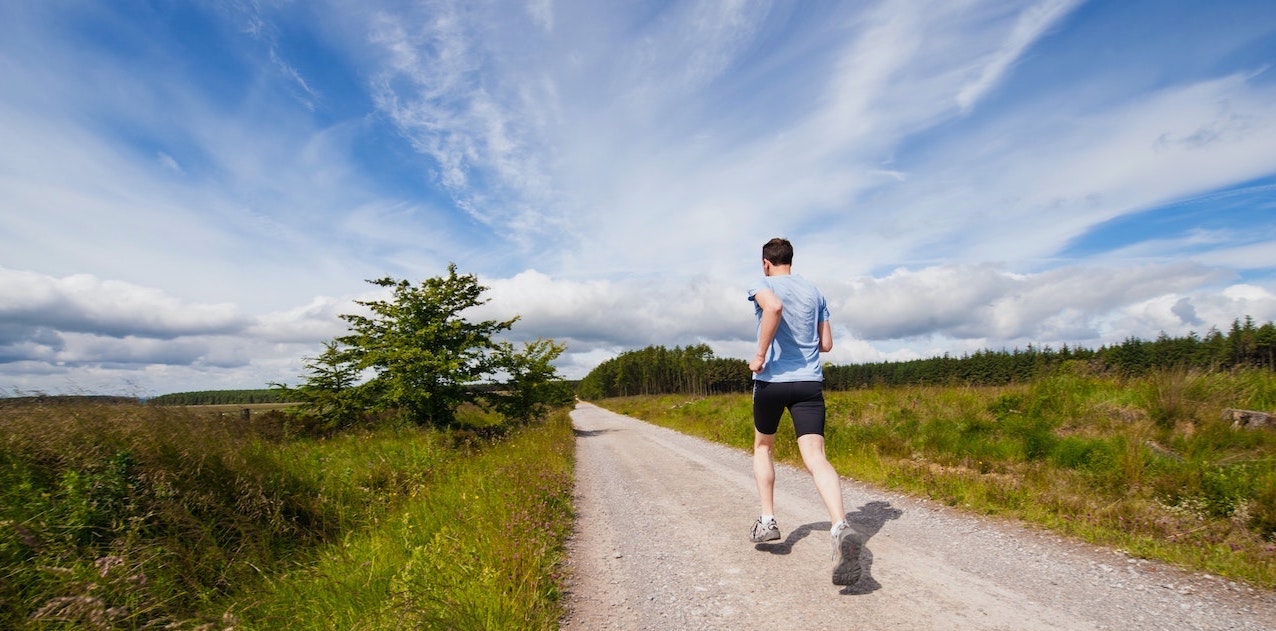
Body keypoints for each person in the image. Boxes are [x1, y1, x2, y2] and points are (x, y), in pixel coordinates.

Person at [746, 237, 860, 586]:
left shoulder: (762, 285)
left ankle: (768, 521)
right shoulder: (814, 291)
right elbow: (826, 344)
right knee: (816, 456)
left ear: (766, 262)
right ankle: (840, 525)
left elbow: (774, 308)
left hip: (772, 382)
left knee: (764, 447)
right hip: (809, 383)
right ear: (790, 260)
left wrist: (761, 355)